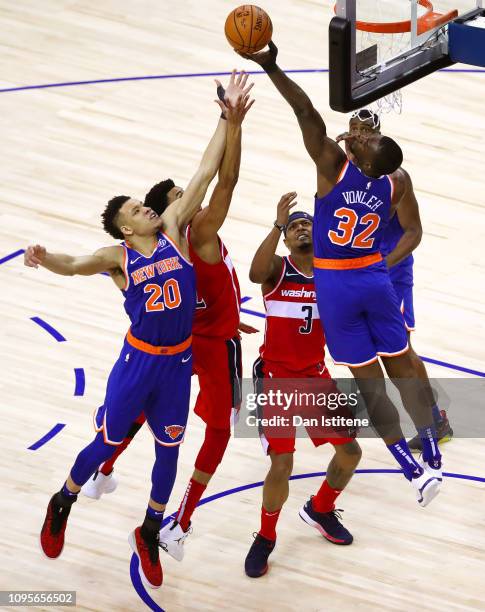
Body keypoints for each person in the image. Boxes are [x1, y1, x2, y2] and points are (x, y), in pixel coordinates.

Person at [24, 76, 252, 591]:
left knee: (169, 453)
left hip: (178, 363)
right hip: (139, 362)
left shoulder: (174, 229)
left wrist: (227, 118)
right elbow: (74, 262)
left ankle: (149, 531)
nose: (146, 207)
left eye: (143, 204)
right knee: (106, 444)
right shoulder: (118, 258)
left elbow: (204, 171)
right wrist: (44, 258)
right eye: (135, 209)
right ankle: (63, 499)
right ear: (126, 228)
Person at [239, 42, 442, 506]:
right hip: (368, 276)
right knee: (390, 370)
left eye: (367, 141)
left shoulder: (333, 166)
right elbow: (400, 202)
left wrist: (271, 62)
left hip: (341, 284)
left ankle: (425, 449)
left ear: (366, 162)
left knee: (392, 371)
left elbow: (305, 110)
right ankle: (419, 464)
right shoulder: (396, 180)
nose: (359, 136)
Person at [80, 71, 256, 562]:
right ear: (165, 215)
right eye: (180, 197)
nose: (189, 198)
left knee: (140, 414)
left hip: (191, 335)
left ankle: (103, 466)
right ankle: (179, 521)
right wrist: (234, 123)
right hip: (205, 343)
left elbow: (208, 174)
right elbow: (226, 178)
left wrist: (225, 312)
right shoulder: (197, 231)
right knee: (217, 430)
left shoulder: (171, 238)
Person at [244, 193, 362, 578]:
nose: (300, 228)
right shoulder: (277, 270)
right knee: (283, 463)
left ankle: (321, 508)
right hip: (275, 378)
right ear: (286, 239)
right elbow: (254, 273)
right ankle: (265, 536)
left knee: (350, 452)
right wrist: (276, 223)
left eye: (305, 223)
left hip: (315, 376)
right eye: (293, 226)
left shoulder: (332, 274)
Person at [338, 109, 453, 451]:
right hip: (355, 275)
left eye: (364, 130)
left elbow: (414, 232)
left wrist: (382, 269)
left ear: (377, 136)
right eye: (353, 129)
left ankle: (435, 419)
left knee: (401, 351)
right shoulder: (341, 171)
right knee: (365, 353)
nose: (357, 136)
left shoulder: (394, 176)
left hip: (389, 272)